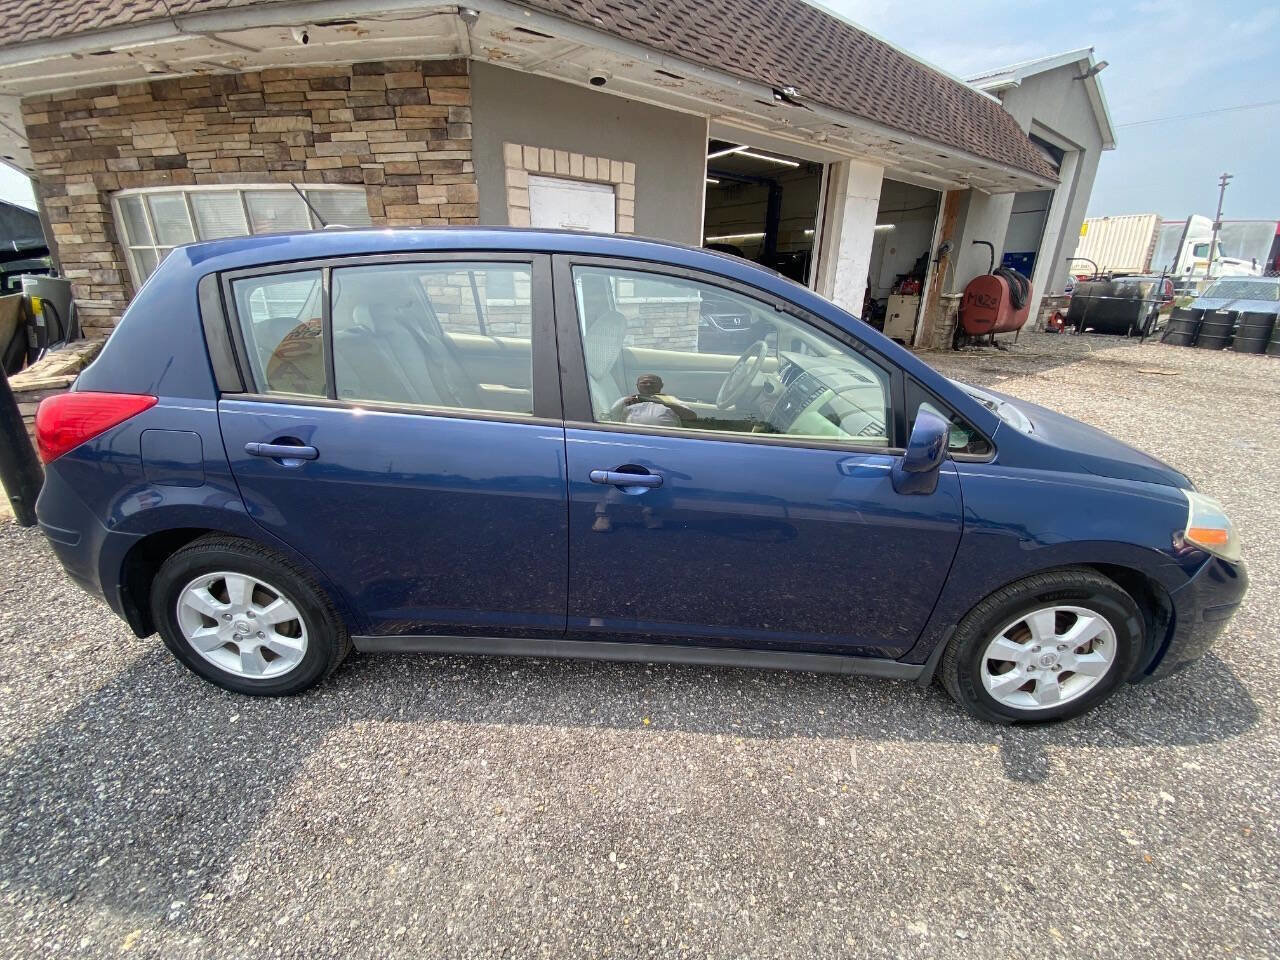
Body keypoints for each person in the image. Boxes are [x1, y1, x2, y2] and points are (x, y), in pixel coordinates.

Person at [607, 374, 697, 427]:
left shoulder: (670, 399)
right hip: (633, 436)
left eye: (652, 383)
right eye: (644, 382)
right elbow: (611, 417)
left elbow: (691, 417)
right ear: (637, 385)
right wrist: (625, 403)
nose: (648, 384)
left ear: (661, 385)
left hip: (666, 438)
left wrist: (662, 402)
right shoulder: (627, 400)